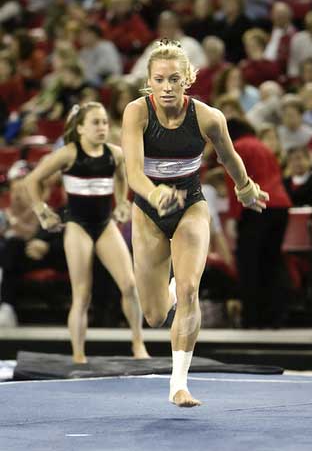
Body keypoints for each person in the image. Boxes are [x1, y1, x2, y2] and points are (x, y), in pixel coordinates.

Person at [121, 39, 268, 407]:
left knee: (190, 290)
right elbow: (133, 174)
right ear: (149, 82)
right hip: (148, 210)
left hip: (190, 205)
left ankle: (179, 384)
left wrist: (246, 189)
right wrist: (155, 196)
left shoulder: (208, 117)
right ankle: (168, 290)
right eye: (159, 79)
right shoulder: (136, 113)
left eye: (174, 79)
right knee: (155, 314)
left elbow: (230, 158)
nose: (167, 86)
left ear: (187, 79)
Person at [25, 101, 149, 363]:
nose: (102, 127)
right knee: (82, 294)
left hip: (105, 225)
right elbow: (32, 180)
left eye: (105, 122)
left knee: (129, 285)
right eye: (95, 122)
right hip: (78, 226)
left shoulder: (114, 154)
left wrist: (123, 201)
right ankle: (79, 354)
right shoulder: (68, 154)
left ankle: (138, 343)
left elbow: (122, 175)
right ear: (80, 128)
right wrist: (41, 210)